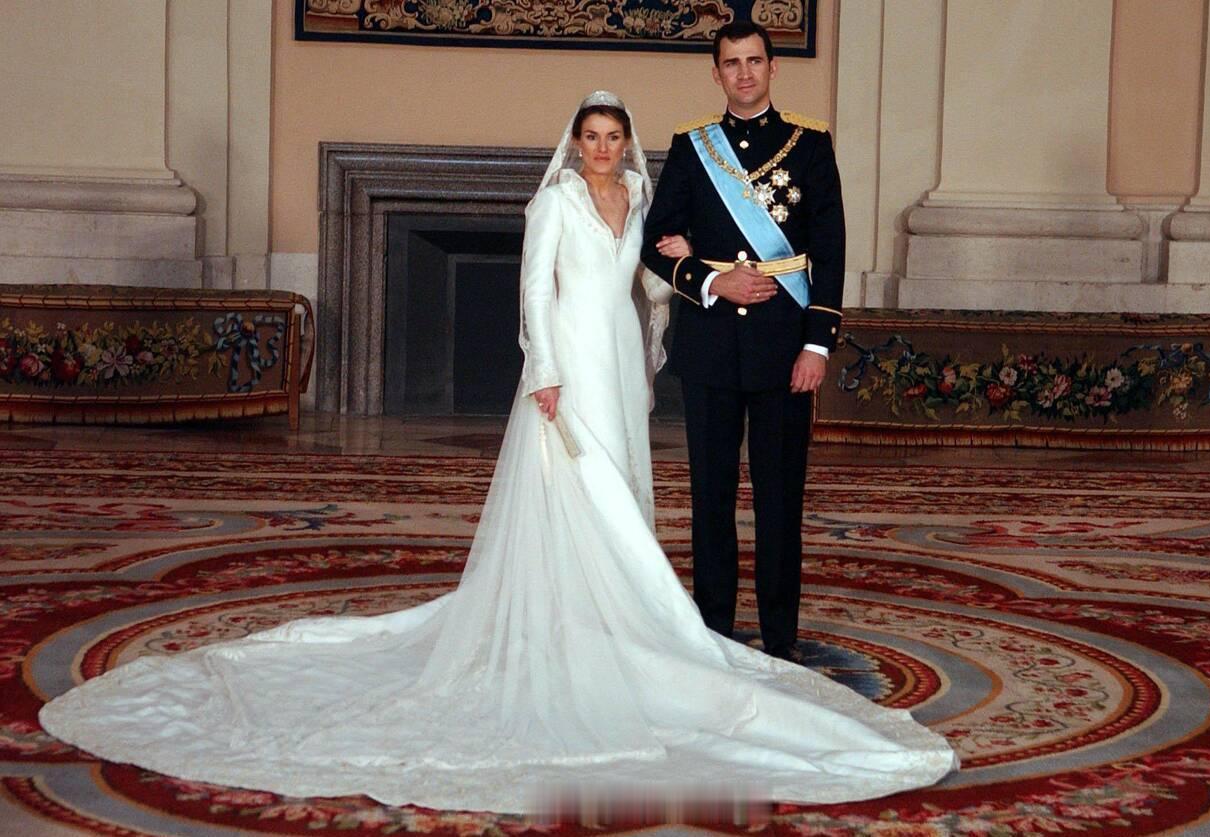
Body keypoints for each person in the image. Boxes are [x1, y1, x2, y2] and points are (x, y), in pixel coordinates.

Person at [39, 92, 955, 814]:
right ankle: (584, 621)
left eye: (613, 137)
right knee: (580, 487)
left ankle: (624, 619)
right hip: (570, 365)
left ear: (626, 145)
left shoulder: (642, 198)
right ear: (575, 142)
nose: (602, 148)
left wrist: (667, 319)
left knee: (624, 485)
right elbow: (532, 290)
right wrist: (543, 369)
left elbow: (656, 280)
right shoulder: (553, 199)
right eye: (591, 136)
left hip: (620, 363)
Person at [641, 20, 844, 663]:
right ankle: (714, 633)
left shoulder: (810, 144)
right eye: (732, 63)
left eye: (755, 61)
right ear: (717, 73)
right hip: (709, 346)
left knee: (781, 498)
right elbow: (654, 242)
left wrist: (817, 346)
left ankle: (780, 639)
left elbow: (830, 249)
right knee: (712, 497)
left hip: (785, 346)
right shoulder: (692, 145)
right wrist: (711, 280)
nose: (745, 73)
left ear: (772, 68)